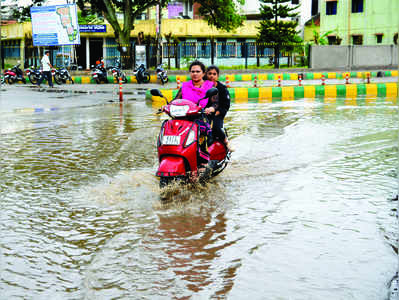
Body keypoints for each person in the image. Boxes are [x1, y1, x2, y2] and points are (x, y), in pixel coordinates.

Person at [172, 60, 218, 165]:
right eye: (193, 71)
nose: (195, 74)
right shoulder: (185, 86)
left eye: (198, 71)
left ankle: (202, 162)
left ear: (203, 73)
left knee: (200, 131)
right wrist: (166, 106)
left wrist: (211, 109)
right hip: (184, 117)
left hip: (201, 117)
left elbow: (215, 103)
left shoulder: (210, 87)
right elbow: (175, 100)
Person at [205, 65, 233, 152]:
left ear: (217, 76)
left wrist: (219, 111)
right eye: (209, 73)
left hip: (217, 113)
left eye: (214, 74)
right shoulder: (202, 86)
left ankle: (226, 142)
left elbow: (226, 104)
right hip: (203, 113)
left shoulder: (222, 88)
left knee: (216, 127)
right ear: (206, 74)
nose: (212, 76)